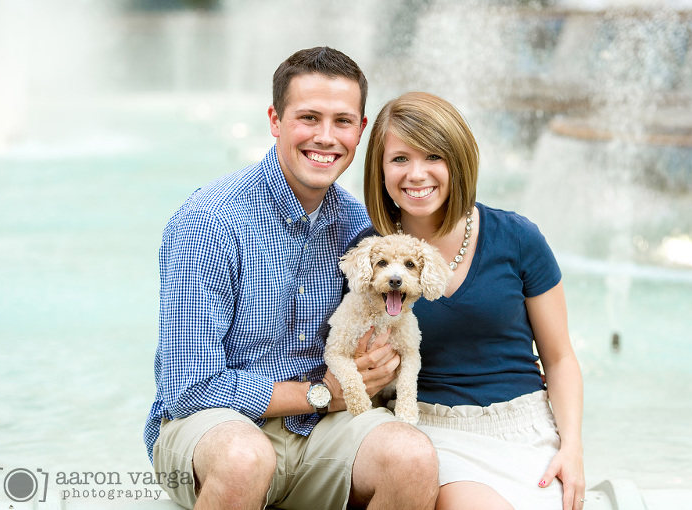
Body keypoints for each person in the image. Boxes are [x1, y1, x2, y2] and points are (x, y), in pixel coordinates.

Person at [143, 48, 439, 510]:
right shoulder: (210, 222)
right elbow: (189, 388)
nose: (325, 137)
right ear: (275, 120)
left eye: (342, 121)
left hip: (323, 431)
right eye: (308, 117)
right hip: (216, 428)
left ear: (360, 131)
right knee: (245, 459)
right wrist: (321, 394)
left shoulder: (361, 233)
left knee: (412, 458)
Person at [359, 92, 585, 510]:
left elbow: (559, 358)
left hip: (527, 429)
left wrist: (572, 449)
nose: (416, 174)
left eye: (433, 157)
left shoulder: (517, 237)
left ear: (457, 161)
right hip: (430, 433)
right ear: (380, 169)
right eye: (399, 159)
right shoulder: (369, 256)